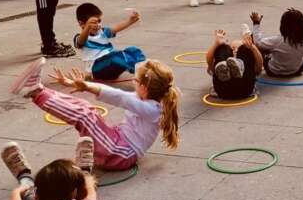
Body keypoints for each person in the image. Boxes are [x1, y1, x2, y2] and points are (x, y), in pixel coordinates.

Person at [11, 56, 180, 169]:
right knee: (87, 109)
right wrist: (75, 84)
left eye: (135, 81)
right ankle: (38, 89)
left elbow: (119, 96)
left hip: (121, 153)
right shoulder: (146, 100)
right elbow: (114, 92)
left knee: (86, 116)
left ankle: (35, 92)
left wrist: (86, 86)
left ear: (144, 87)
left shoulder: (152, 110)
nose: (134, 84)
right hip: (118, 143)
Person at [73, 3, 145, 81]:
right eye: (93, 23)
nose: (97, 25)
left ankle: (145, 68)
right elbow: (81, 41)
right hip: (97, 69)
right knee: (116, 56)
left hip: (111, 64)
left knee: (133, 50)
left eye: (99, 21)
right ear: (81, 24)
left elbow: (115, 29)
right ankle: (142, 74)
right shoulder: (80, 37)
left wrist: (130, 21)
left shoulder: (102, 32)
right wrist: (87, 27)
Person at [250, 8, 303, 77]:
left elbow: (258, 43)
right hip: (297, 70)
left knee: (257, 45)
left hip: (275, 71)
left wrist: (256, 23)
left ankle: (256, 67)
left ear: (283, 25)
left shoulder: (278, 40)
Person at [206, 27, 263, 100]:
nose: (235, 50)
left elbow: (259, 66)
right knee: (222, 47)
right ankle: (225, 71)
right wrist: (216, 44)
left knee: (245, 49)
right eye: (232, 49)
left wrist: (252, 47)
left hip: (244, 87)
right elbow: (209, 62)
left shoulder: (247, 61)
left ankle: (238, 66)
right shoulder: (225, 55)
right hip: (223, 88)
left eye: (238, 49)